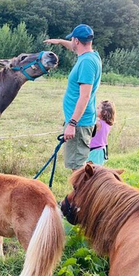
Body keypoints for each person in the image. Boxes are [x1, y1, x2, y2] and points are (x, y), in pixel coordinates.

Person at [44, 24, 102, 171]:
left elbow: (85, 96)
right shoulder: (91, 55)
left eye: (72, 40)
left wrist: (72, 124)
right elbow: (73, 47)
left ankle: (81, 194)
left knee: (78, 170)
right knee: (79, 167)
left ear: (76, 40)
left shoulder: (86, 62)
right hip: (80, 121)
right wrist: (60, 41)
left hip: (79, 123)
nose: (71, 43)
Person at [87, 100, 116, 165]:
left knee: (91, 171)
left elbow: (90, 119)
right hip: (101, 149)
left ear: (104, 112)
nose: (95, 109)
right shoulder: (108, 124)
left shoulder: (99, 123)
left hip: (95, 150)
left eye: (98, 108)